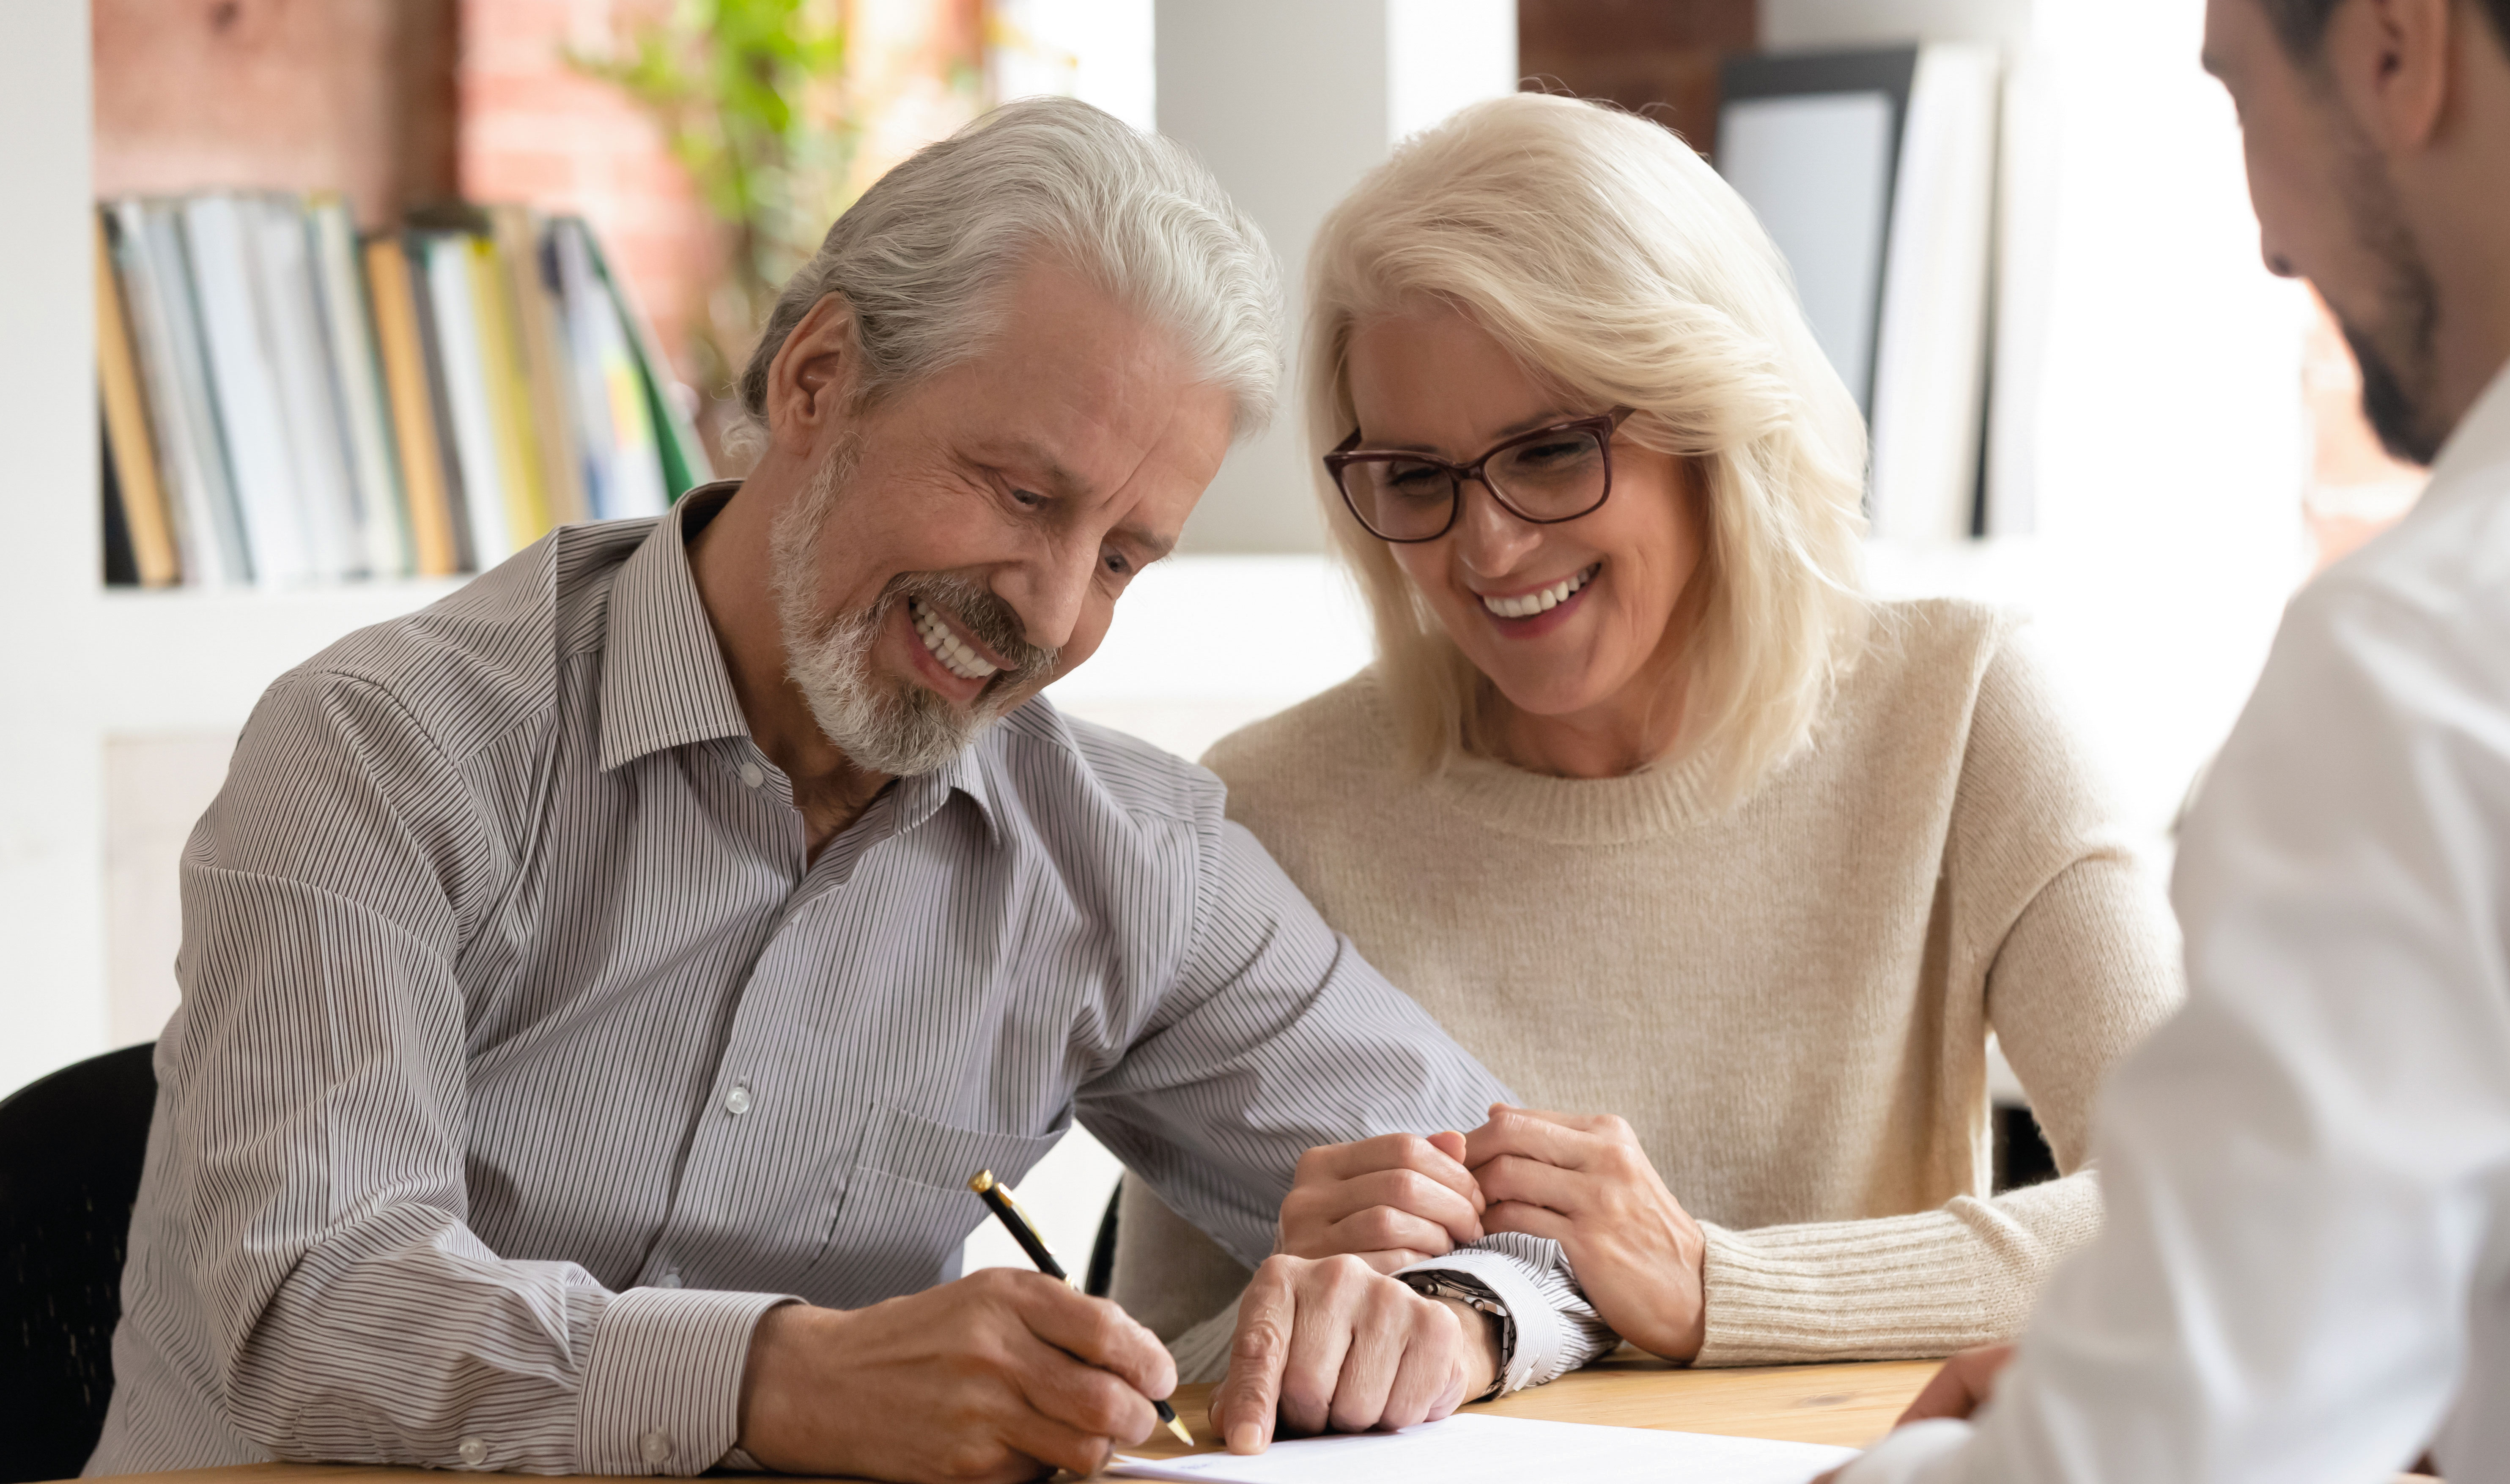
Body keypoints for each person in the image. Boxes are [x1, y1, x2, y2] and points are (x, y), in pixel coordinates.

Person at [88, 98, 1576, 1484]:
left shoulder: (1127, 859)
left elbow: (1539, 1222)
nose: (1054, 614)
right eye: (1020, 492)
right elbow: (308, 1309)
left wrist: (1446, 1312)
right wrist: (783, 1378)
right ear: (816, 380)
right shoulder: (378, 750)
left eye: (1123, 556)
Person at [1110, 92, 2184, 1444]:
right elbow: (1152, 1385)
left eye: (1552, 451)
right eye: (1416, 476)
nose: (1487, 548)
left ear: (1712, 422)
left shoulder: (1961, 711)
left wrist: (1712, 1286)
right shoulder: (1272, 806)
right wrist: (1302, 1306)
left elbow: (2208, 1198)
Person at [1829, 0, 2510, 1479]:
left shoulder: (2442, 656)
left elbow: (2172, 1459)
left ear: (2401, 48)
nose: (2269, 242)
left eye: (2239, 93)